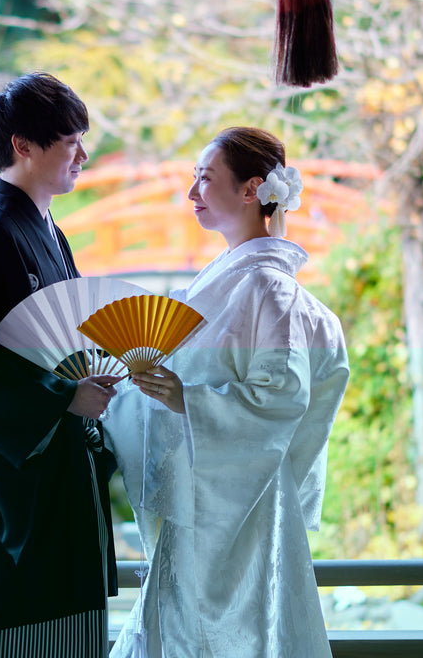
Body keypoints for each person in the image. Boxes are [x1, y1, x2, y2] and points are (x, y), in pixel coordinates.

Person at [103, 126, 350, 657]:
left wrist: (184, 398)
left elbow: (283, 395)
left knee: (234, 633)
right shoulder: (230, 283)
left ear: (250, 189)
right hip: (199, 501)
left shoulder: (269, 288)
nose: (192, 193)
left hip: (240, 510)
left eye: (204, 178)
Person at [0, 72, 120, 658]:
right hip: (12, 480)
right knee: (12, 626)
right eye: (72, 142)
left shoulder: (50, 233)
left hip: (56, 465)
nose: (84, 155)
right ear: (23, 145)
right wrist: (63, 398)